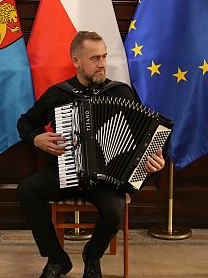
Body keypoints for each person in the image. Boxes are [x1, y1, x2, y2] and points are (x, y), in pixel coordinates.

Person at [17, 31, 166, 278]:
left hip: (105, 178)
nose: (102, 63)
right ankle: (56, 259)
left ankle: (92, 255)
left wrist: (151, 164)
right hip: (66, 170)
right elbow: (25, 122)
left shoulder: (120, 93)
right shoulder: (59, 94)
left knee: (115, 210)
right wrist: (36, 138)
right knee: (26, 191)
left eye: (105, 56)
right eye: (95, 58)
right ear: (76, 61)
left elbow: (142, 141)